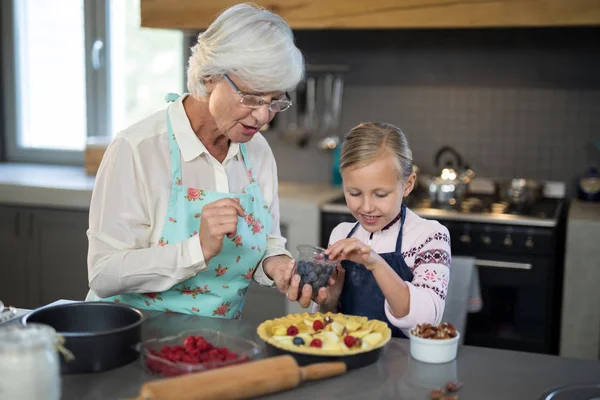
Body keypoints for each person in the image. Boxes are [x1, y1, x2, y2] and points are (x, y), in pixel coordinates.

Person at [85, 3, 320, 318]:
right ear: (210, 76)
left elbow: (269, 243)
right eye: (251, 97)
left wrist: (276, 264)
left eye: (274, 101)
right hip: (130, 334)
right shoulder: (138, 149)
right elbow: (103, 273)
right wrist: (198, 249)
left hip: (215, 342)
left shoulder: (258, 151)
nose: (263, 116)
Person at [315, 122, 452, 337]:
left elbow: (427, 322)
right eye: (354, 193)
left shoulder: (429, 237)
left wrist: (375, 263)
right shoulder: (341, 234)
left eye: (380, 195)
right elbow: (326, 325)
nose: (367, 207)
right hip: (350, 359)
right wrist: (328, 302)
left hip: (403, 365)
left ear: (408, 184)